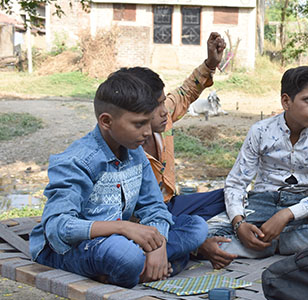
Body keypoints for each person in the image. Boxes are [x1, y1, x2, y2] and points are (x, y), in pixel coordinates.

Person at [29, 72, 208, 288]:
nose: (147, 132)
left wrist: (158, 245)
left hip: (123, 242)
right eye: (138, 124)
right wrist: (121, 227)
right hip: (72, 248)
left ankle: (140, 269)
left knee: (196, 227)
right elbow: (58, 227)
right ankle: (149, 266)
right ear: (106, 121)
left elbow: (154, 207)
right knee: (124, 254)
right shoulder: (78, 160)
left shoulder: (135, 152)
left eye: (147, 123)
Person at [208, 66, 308, 259]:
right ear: (286, 101)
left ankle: (264, 244)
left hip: (303, 209)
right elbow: (236, 183)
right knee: (207, 234)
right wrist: (239, 224)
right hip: (261, 204)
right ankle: (273, 241)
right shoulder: (260, 132)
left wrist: (286, 215)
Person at [117, 32, 237, 270]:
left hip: (171, 204)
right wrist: (198, 243)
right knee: (190, 234)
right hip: (143, 219)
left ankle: (183, 244)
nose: (164, 111)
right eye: (155, 106)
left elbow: (185, 93)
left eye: (163, 102)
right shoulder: (123, 148)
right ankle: (187, 247)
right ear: (134, 112)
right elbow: (129, 216)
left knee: (232, 196)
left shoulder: (163, 119)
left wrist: (211, 63)